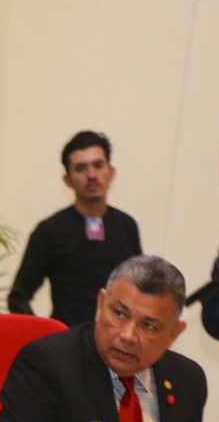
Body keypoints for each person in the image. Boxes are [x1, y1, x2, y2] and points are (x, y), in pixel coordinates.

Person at [0, 255, 206, 422]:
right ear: (100, 304)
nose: (127, 335)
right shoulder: (48, 364)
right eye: (119, 314)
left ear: (174, 333)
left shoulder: (187, 379)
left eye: (148, 325)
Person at [8, 130, 142, 327]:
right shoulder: (49, 231)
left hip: (117, 339)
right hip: (67, 340)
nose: (92, 175)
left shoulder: (127, 226)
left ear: (111, 172)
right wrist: (47, 337)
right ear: (68, 180)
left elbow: (140, 290)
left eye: (98, 165)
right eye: (81, 168)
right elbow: (18, 298)